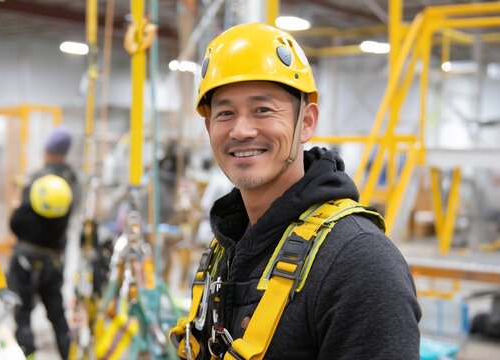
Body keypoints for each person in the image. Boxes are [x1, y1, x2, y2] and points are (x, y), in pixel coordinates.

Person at [168, 23, 421, 359]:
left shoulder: (359, 264)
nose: (241, 130)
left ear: (307, 122)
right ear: (209, 127)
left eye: (263, 110)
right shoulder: (226, 248)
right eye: (226, 113)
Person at [9, 126, 79, 359]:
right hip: (54, 260)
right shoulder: (72, 182)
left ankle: (29, 356)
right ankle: (69, 355)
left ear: (49, 151)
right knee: (57, 315)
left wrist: (16, 206)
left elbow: (18, 223)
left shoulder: (39, 181)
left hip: (25, 259)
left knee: (24, 313)